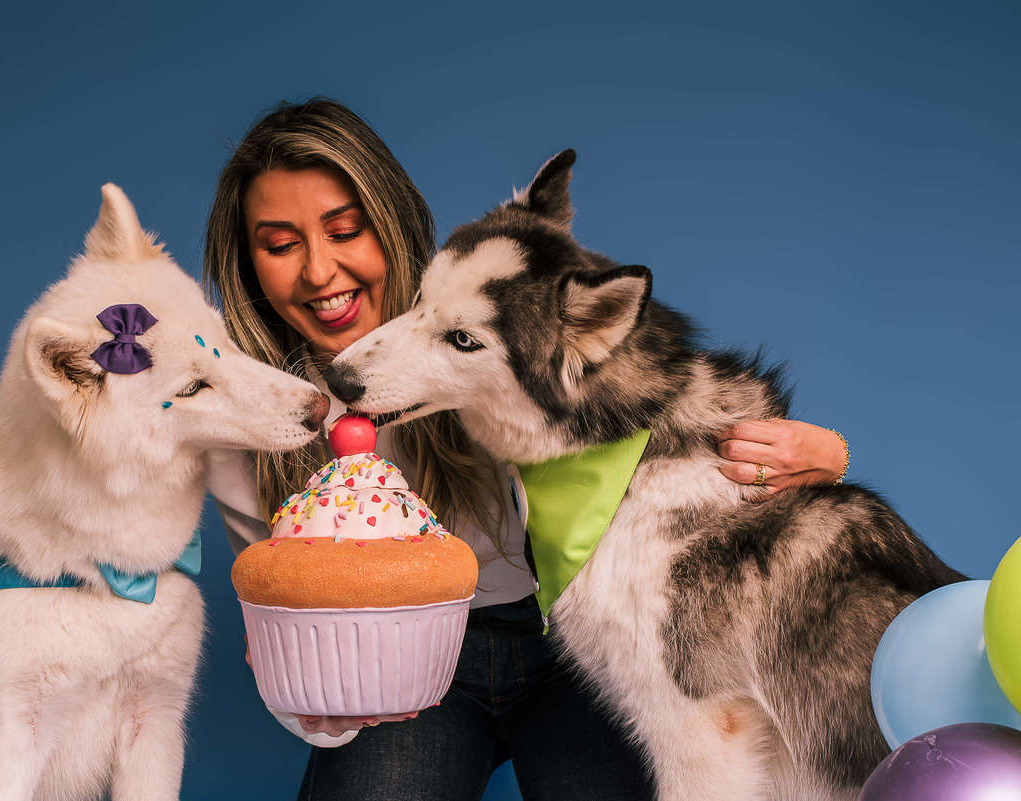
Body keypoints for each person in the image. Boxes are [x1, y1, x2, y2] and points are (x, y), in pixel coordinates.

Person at [203, 98, 849, 801]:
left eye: (345, 230)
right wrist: (307, 682)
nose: (320, 271)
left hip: (569, 637)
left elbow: (658, 414)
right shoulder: (237, 421)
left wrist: (824, 455)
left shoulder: (491, 305)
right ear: (248, 264)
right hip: (414, 668)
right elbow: (290, 632)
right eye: (279, 243)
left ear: (388, 223)